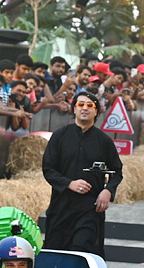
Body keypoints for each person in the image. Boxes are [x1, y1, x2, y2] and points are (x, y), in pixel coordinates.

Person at [40, 90, 123, 256]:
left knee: (83, 248)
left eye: (90, 105)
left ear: (96, 111)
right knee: (57, 252)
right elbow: (48, 169)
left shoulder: (103, 141)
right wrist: (69, 183)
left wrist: (107, 191)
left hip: (90, 208)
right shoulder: (59, 136)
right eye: (81, 105)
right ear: (74, 109)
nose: (85, 108)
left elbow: (117, 171)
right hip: (61, 206)